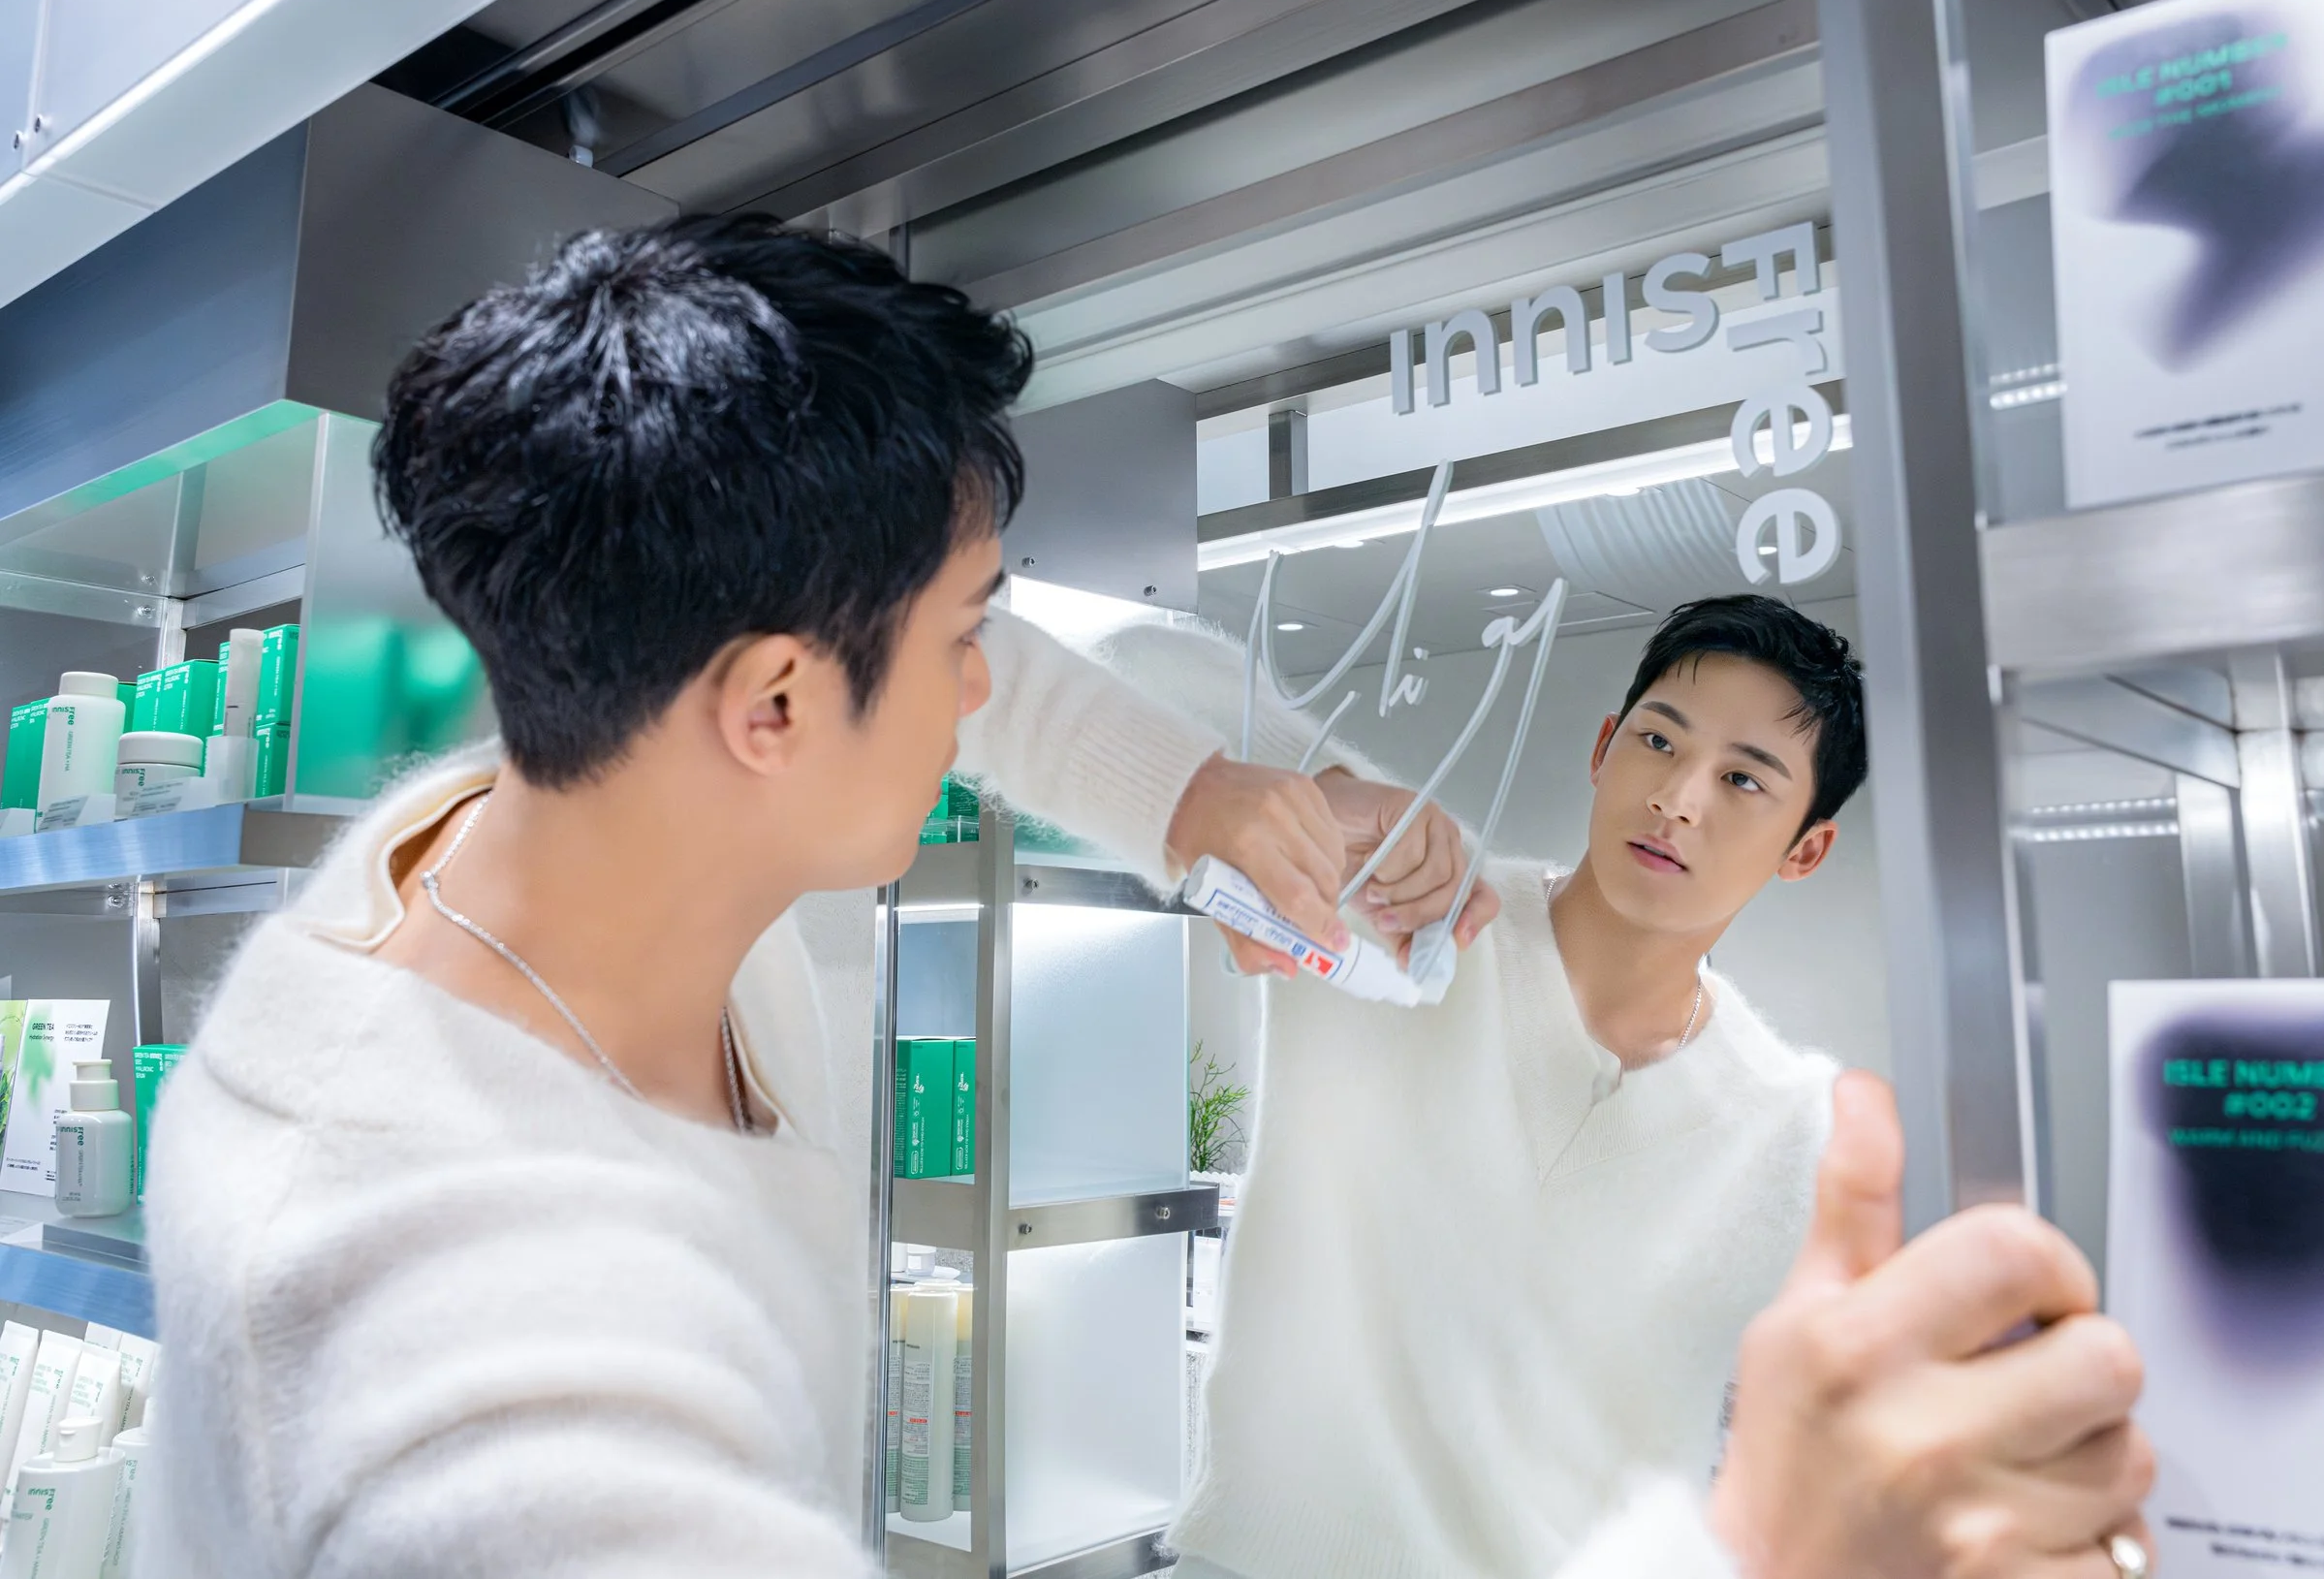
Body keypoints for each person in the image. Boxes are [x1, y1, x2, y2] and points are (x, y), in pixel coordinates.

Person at [136, 217, 2147, 1579]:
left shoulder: (556, 844)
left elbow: (1071, 717)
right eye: (962, 638)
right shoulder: (496, 1359)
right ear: (769, 702)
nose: (988, 697)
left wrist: (1206, 795)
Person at [1092, 598, 2152, 1579]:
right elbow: (1127, 663)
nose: (1677, 799)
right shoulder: (1408, 901)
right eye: (1658, 739)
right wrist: (1311, 789)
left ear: (1806, 845)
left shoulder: (1792, 1129)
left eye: (1743, 780)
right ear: (1605, 749)